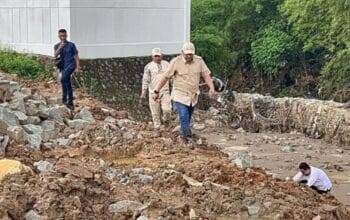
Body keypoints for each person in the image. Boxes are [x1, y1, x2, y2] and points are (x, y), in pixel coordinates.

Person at [153, 42, 215, 143]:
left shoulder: (199, 61)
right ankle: (188, 137)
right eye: (186, 54)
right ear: (182, 52)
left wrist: (211, 88)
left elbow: (206, 75)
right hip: (179, 93)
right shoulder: (176, 62)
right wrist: (156, 91)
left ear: (194, 53)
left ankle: (183, 132)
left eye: (190, 54)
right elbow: (165, 77)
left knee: (188, 115)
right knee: (183, 114)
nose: (188, 56)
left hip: (192, 94)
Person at [141, 48, 172, 130]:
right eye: (155, 56)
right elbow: (145, 80)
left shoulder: (167, 64)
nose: (157, 58)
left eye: (159, 56)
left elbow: (171, 77)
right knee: (155, 114)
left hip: (165, 92)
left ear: (162, 55)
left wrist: (174, 86)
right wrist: (143, 93)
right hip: (153, 93)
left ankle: (166, 122)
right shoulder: (148, 67)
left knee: (167, 110)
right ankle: (157, 129)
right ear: (152, 56)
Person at [54, 29, 80, 110]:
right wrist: (60, 48)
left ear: (66, 35)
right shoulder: (57, 45)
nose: (63, 37)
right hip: (63, 66)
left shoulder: (71, 45)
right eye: (61, 36)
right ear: (58, 36)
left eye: (64, 36)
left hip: (71, 65)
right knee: (66, 82)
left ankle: (66, 99)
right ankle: (68, 101)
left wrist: (77, 67)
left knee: (63, 78)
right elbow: (55, 55)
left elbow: (76, 56)